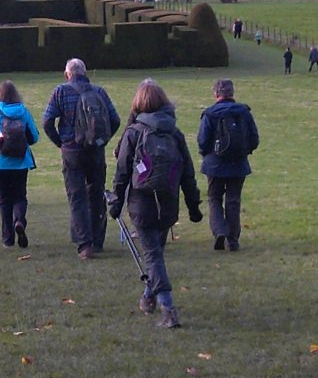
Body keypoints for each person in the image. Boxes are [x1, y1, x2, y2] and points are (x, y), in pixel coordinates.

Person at [109, 79, 202, 329]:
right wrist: (194, 206)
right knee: (156, 254)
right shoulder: (175, 133)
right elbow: (188, 173)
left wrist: (115, 202)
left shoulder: (134, 133)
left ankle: (168, 308)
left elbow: (122, 172)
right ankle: (149, 296)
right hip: (168, 204)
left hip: (142, 204)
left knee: (153, 256)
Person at [42, 58, 121, 259]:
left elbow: (47, 122)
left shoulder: (60, 91)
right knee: (96, 196)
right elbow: (115, 120)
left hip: (72, 151)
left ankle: (84, 244)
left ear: (67, 74)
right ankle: (97, 240)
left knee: (77, 197)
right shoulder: (99, 92)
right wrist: (102, 140)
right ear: (86, 72)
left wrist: (60, 143)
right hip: (95, 151)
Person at [197, 79, 259, 252]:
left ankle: (219, 231)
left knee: (214, 199)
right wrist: (245, 151)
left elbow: (202, 141)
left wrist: (207, 155)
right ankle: (232, 240)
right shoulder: (244, 112)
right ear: (232, 93)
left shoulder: (209, 114)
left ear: (216, 94)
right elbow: (254, 138)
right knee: (233, 200)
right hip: (238, 164)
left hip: (214, 164)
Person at [0, 80, 40, 248]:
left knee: (4, 200)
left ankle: (8, 238)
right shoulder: (23, 112)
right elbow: (34, 137)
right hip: (20, 162)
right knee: (20, 197)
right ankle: (19, 220)